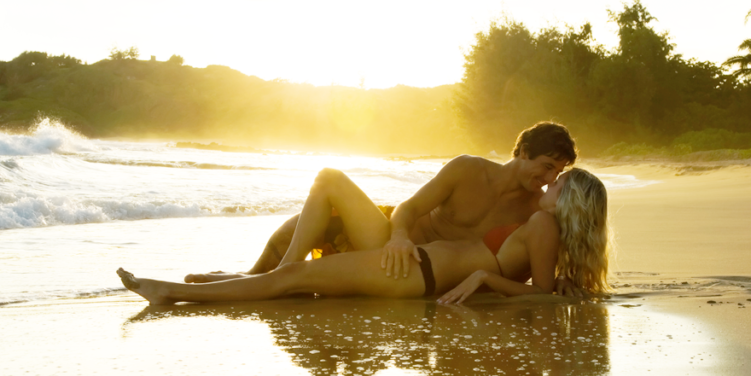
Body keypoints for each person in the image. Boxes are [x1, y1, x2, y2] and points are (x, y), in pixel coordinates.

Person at [117, 167, 611, 306]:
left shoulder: (544, 223)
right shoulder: (544, 225)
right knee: (296, 280)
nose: (551, 184)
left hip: (419, 273)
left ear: (570, 201)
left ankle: (173, 292)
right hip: (418, 264)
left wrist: (484, 275)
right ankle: (196, 288)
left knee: (293, 278)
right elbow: (547, 286)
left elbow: (542, 297)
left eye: (560, 183)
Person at [184, 121, 578, 284]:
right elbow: (407, 208)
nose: (545, 181)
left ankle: (265, 280)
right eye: (544, 168)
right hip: (391, 236)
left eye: (554, 175)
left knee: (313, 218)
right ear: (523, 150)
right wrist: (400, 237)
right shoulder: (469, 169)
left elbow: (519, 262)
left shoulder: (534, 212)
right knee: (309, 207)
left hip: (418, 270)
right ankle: (257, 277)